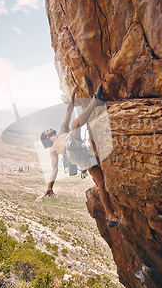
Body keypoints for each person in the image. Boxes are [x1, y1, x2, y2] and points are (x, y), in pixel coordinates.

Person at [40, 84, 118, 228]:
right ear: (46, 138)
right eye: (46, 131)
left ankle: (110, 216)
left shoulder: (62, 130)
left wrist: (72, 96)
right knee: (75, 125)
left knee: (100, 182)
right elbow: (55, 169)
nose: (49, 129)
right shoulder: (53, 149)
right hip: (72, 153)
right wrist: (50, 186)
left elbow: (69, 110)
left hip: (82, 156)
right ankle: (95, 101)